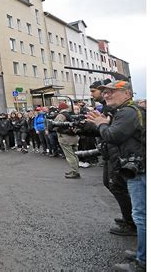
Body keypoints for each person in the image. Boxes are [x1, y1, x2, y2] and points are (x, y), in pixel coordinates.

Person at [87, 81, 146, 271]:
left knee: (142, 216)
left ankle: (143, 261)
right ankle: (142, 252)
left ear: (127, 93)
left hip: (140, 168)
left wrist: (102, 125)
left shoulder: (128, 112)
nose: (107, 95)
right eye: (105, 92)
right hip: (135, 166)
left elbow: (113, 135)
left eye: (112, 92)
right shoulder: (124, 111)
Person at [54, 102, 80, 179]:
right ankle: (76, 170)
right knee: (75, 155)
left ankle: (75, 172)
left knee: (70, 156)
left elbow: (56, 125)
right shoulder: (71, 114)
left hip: (65, 138)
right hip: (74, 137)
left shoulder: (61, 116)